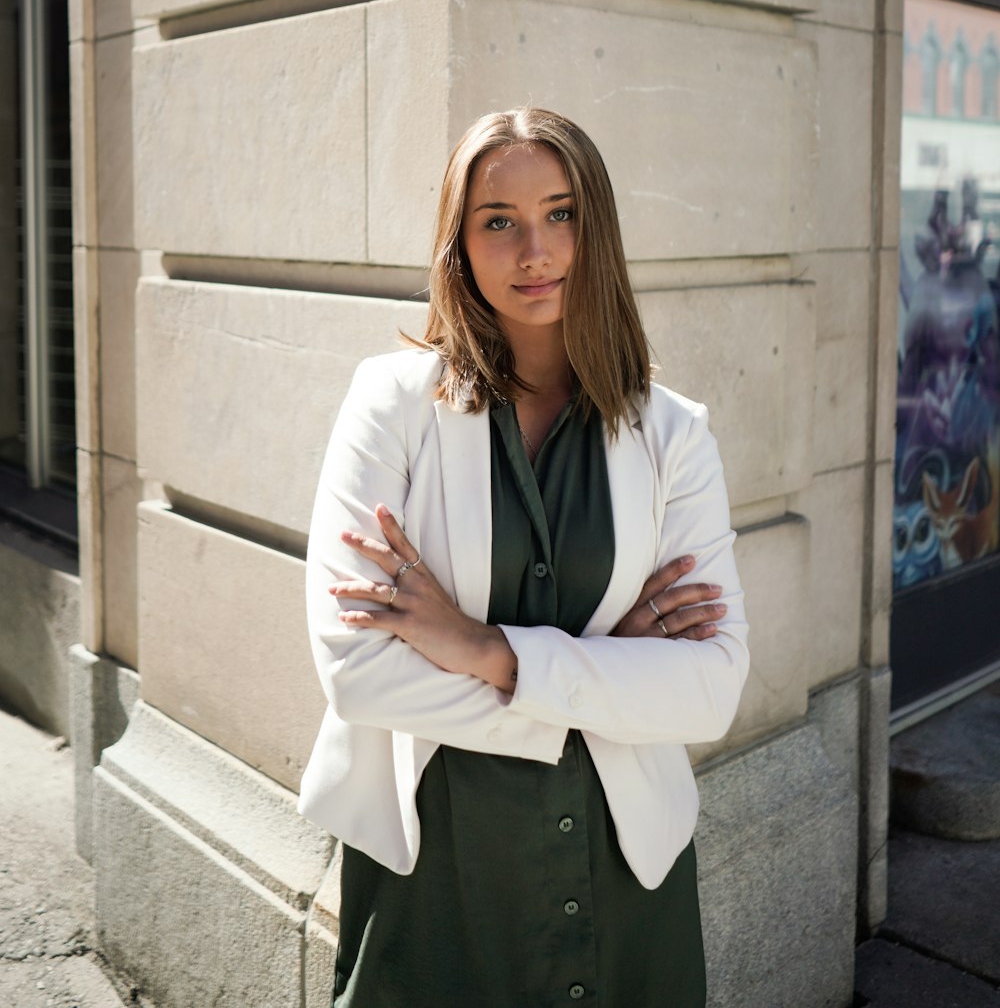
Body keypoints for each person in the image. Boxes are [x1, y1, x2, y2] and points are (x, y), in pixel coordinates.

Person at [298, 106, 749, 1007]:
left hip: (630, 872)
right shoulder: (391, 406)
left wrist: (483, 649)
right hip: (440, 873)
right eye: (498, 222)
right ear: (459, 245)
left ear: (598, 227)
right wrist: (608, 670)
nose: (535, 250)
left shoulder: (673, 434)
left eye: (562, 213)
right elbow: (356, 672)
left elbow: (713, 686)